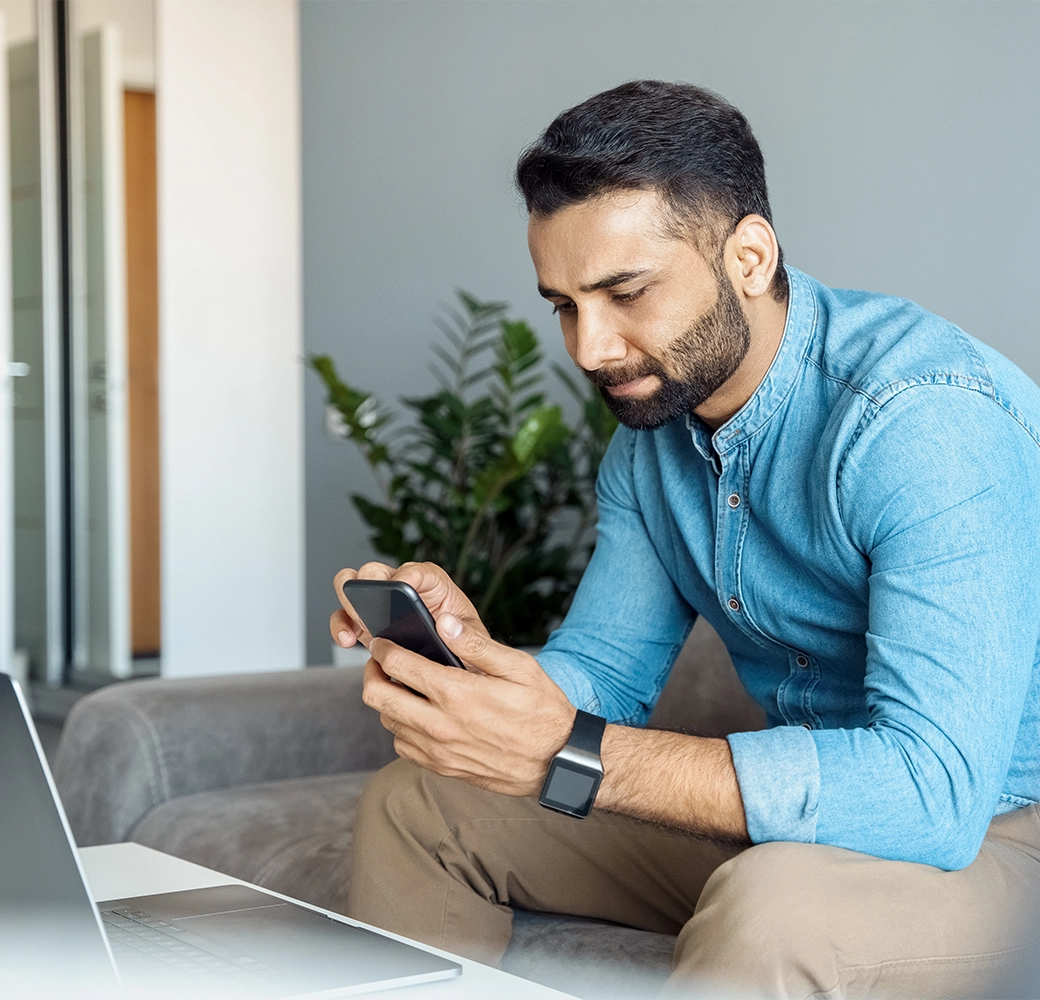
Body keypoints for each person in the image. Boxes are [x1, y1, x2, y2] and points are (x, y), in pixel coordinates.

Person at [331, 81, 1040, 998]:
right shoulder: (652, 445)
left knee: (776, 905)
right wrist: (468, 663)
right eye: (564, 304)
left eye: (625, 292)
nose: (590, 348)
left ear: (748, 255)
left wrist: (569, 753)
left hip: (999, 827)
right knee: (419, 805)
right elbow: (604, 677)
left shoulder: (921, 424)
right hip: (812, 829)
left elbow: (931, 794)